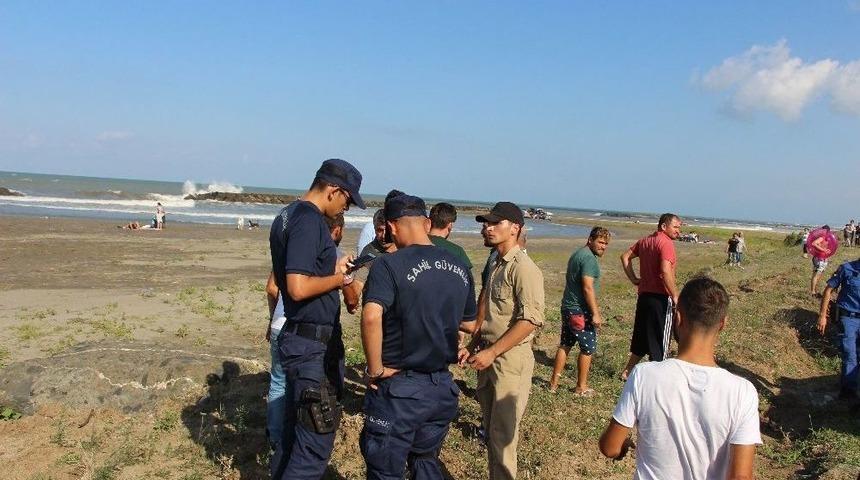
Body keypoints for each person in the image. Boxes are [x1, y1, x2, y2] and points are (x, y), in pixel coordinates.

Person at [360, 193, 478, 479]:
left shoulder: (388, 265)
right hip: (441, 389)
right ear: (426, 223)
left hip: (401, 389)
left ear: (391, 226)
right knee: (425, 462)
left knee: (384, 468)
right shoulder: (460, 267)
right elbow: (470, 324)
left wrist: (375, 370)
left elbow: (371, 316)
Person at [599, 277, 761, 479]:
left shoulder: (643, 375)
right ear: (723, 324)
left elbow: (609, 447)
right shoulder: (743, 392)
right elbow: (741, 477)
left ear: (678, 318)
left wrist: (622, 444)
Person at [270, 158, 365, 480]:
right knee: (314, 443)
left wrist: (333, 269)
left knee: (293, 437)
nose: (346, 209)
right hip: (310, 345)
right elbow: (297, 287)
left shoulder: (287, 215)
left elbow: (300, 275)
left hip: (300, 339)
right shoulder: (309, 221)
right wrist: (339, 280)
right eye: (347, 200)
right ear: (334, 190)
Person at [462, 201, 544, 480]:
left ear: (515, 228)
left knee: (503, 437)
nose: (487, 227)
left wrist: (493, 351)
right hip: (489, 356)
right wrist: (473, 346)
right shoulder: (497, 262)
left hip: (510, 360)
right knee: (491, 431)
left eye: (495, 223)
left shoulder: (524, 268)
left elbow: (530, 320)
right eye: (486, 223)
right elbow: (490, 311)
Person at [548, 226, 611, 395]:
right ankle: (581, 387)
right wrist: (596, 313)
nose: (603, 246)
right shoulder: (589, 259)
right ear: (590, 240)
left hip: (568, 307)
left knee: (565, 344)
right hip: (579, 311)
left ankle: (553, 384)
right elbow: (588, 288)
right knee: (587, 348)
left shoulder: (578, 254)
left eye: (606, 243)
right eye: (600, 242)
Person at [619, 213, 682, 380]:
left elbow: (625, 257)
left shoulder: (645, 241)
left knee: (642, 336)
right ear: (663, 226)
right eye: (675, 227)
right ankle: (658, 378)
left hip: (644, 296)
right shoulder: (666, 243)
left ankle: (627, 371)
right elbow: (665, 271)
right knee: (661, 340)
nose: (678, 231)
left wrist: (634, 279)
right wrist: (675, 295)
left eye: (679, 228)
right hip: (661, 298)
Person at [817, 256, 860, 400]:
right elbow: (828, 290)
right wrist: (823, 316)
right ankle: (848, 393)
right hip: (848, 318)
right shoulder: (846, 268)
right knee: (850, 354)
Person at [428, 202, 473, 269]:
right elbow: (466, 275)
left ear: (429, 221)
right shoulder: (457, 251)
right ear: (450, 225)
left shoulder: (414, 243)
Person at [810, 225, 834, 296]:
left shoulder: (827, 238)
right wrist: (823, 249)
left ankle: (815, 290)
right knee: (816, 274)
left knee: (819, 275)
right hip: (818, 259)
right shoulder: (821, 237)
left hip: (824, 259)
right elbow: (814, 243)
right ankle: (813, 292)